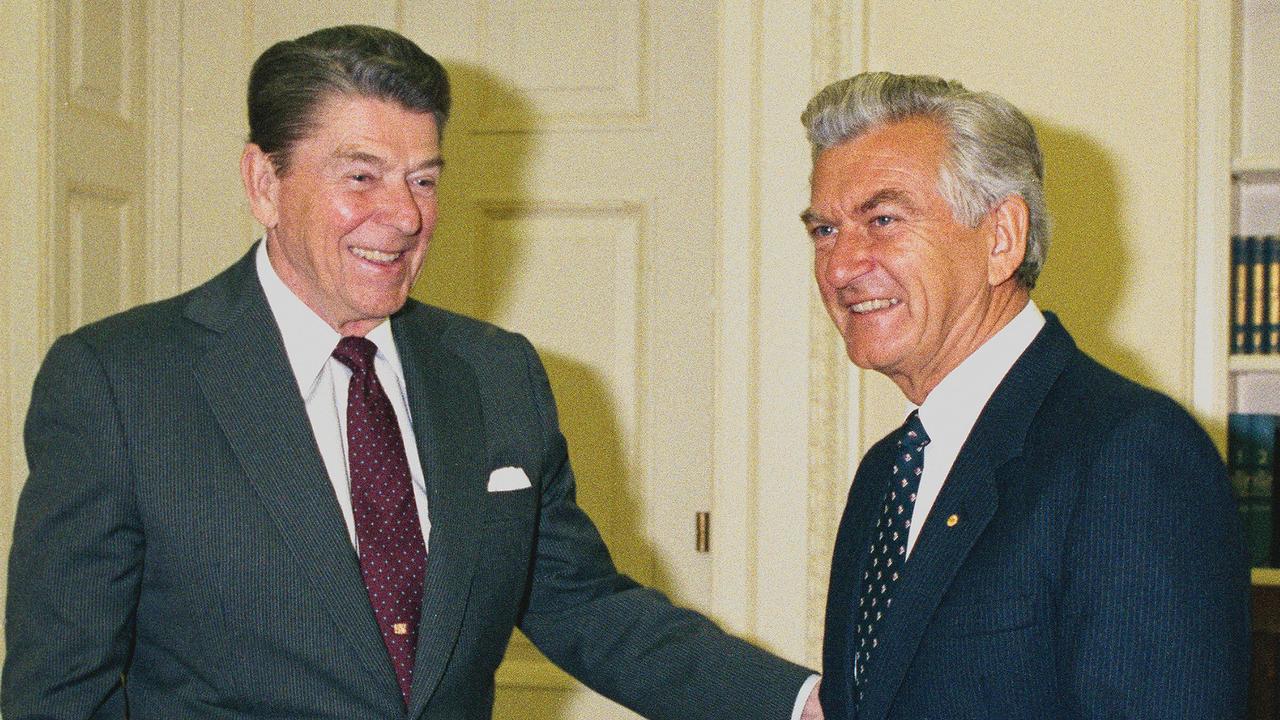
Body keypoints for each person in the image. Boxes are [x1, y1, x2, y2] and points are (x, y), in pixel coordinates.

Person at [3, 25, 822, 720]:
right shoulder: (118, 382)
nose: (402, 216)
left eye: (423, 178)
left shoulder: (497, 374)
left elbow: (585, 607)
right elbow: (58, 690)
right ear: (263, 181)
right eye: (360, 175)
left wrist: (803, 703)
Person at [800, 72, 1250, 720]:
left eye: (883, 219)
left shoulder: (1130, 455)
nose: (841, 267)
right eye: (824, 231)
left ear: (1002, 238)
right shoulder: (884, 475)